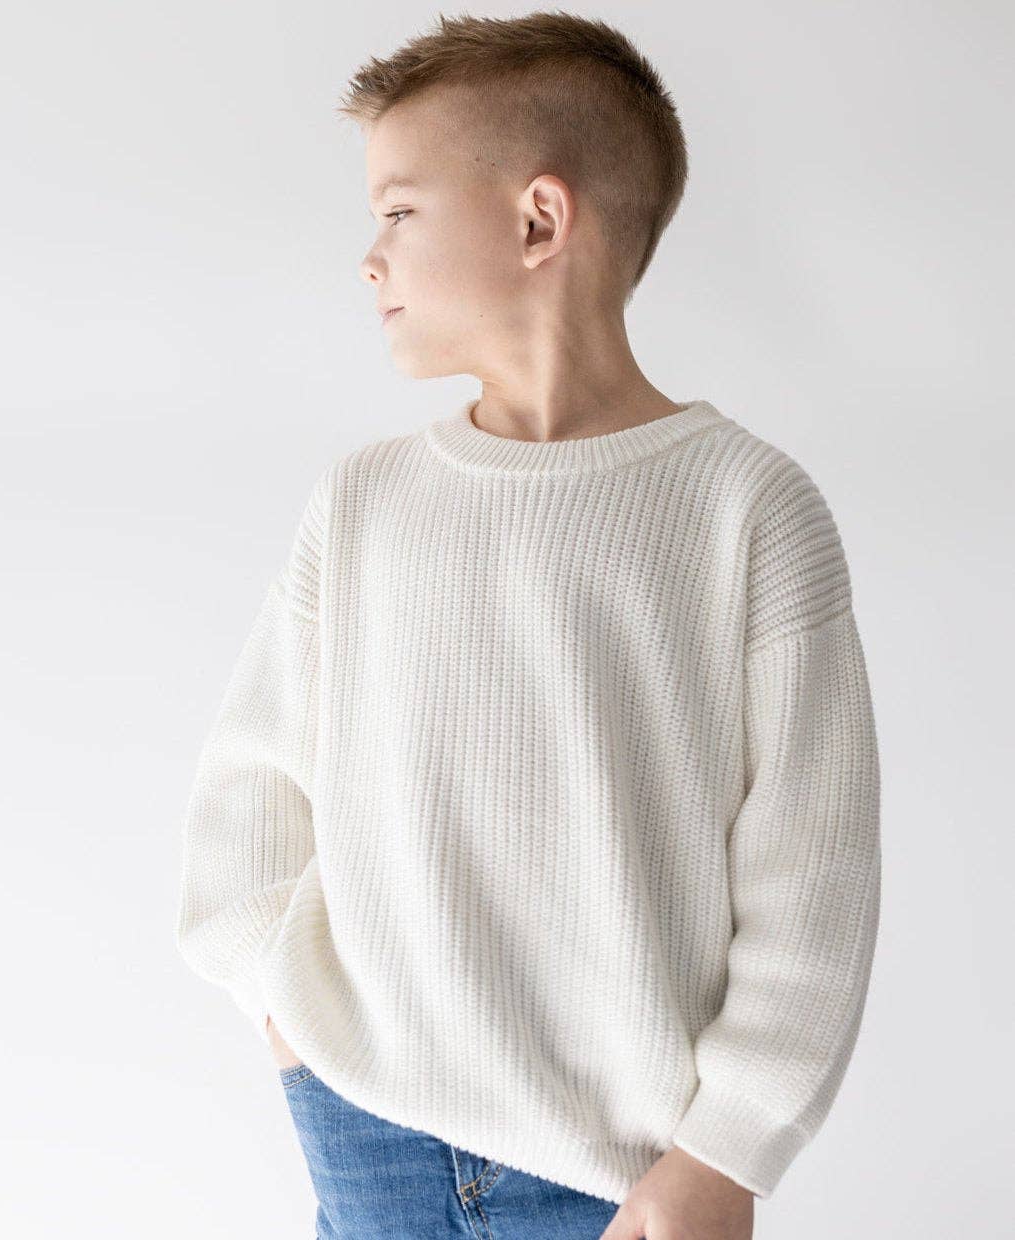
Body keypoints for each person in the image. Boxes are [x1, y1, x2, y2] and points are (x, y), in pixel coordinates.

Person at [175, 11, 881, 1239]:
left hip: (626, 1171)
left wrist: (727, 1148)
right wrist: (289, 1021)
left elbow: (812, 870)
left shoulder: (745, 509)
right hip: (366, 1125)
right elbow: (250, 792)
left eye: (398, 211)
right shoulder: (365, 504)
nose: (368, 258)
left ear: (539, 220)